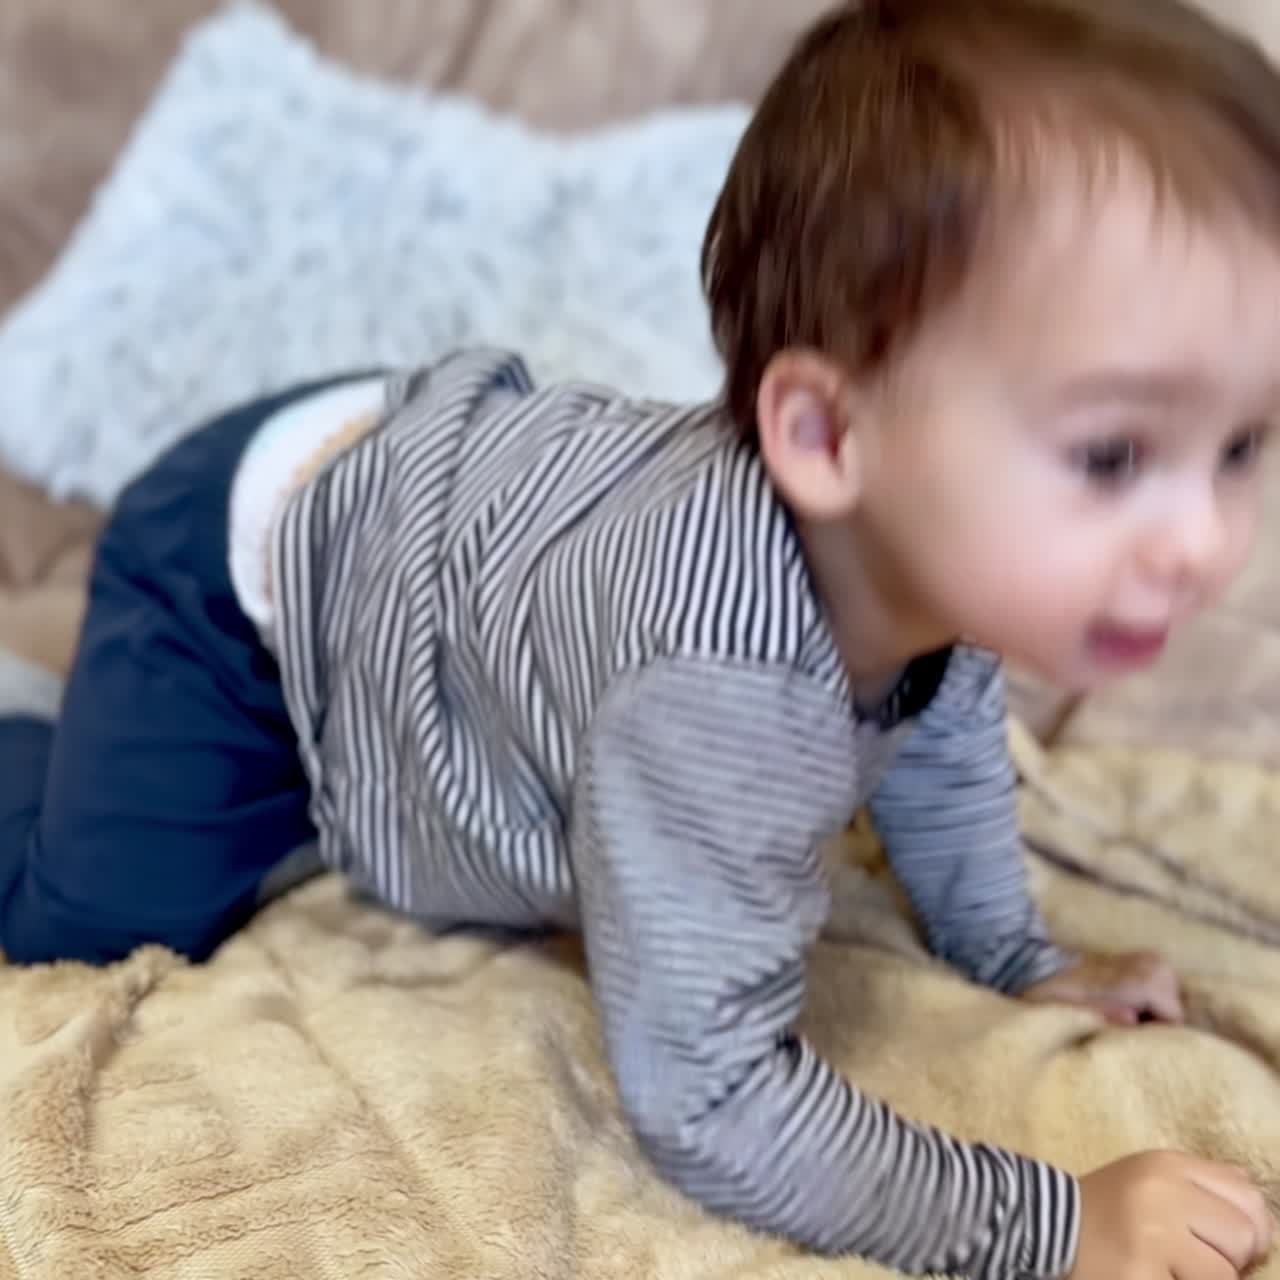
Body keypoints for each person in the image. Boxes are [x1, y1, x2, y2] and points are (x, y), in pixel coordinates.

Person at [2, 0, 1279, 1274]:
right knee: (90, 912)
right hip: (242, 570)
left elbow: (940, 725)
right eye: (1111, 454)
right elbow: (708, 1100)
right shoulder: (714, 691)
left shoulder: (933, 556)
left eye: (1237, 447)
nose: (1200, 540)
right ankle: (28, 730)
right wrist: (1054, 1224)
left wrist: (1009, 957)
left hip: (420, 511)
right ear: (827, 438)